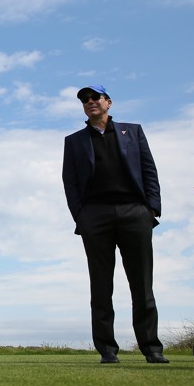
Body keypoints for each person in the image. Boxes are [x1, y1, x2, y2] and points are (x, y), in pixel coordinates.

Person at [61, 85, 168, 364]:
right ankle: (107, 350)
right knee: (100, 285)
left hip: (135, 213)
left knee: (142, 283)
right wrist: (81, 216)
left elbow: (149, 171)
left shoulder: (133, 131)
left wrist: (151, 209)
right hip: (95, 216)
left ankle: (151, 348)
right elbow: (70, 183)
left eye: (95, 97)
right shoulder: (74, 141)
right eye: (84, 100)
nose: (90, 102)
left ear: (108, 102)